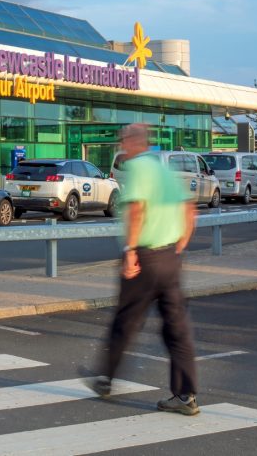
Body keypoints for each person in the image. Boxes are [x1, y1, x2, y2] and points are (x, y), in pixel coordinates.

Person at [87, 123, 200, 416]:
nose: (121, 145)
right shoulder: (163, 169)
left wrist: (130, 251)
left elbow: (137, 209)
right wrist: (179, 245)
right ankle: (185, 395)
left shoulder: (138, 168)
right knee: (177, 328)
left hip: (146, 257)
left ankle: (105, 379)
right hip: (170, 258)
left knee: (126, 319)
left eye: (123, 140)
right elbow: (189, 209)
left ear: (132, 142)